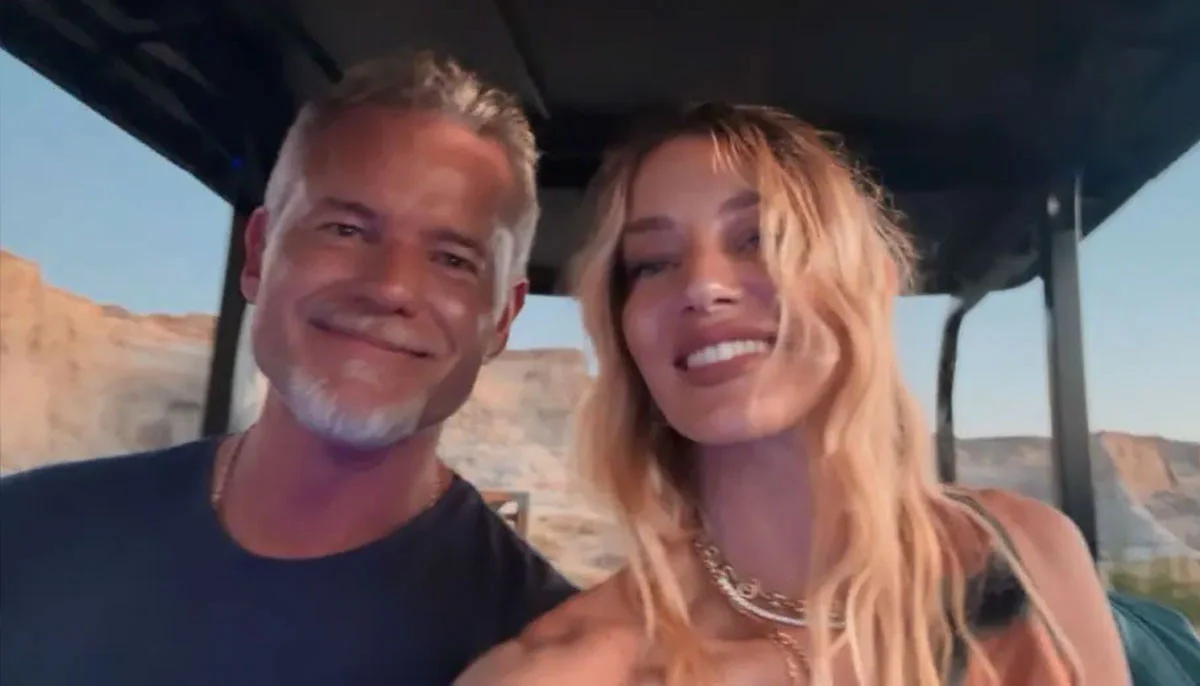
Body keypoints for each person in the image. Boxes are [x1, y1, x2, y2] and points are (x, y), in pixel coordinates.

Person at [456, 103, 1130, 685]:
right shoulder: (563, 670)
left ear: (872, 283)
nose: (703, 286)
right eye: (653, 263)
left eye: (760, 238)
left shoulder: (1031, 552)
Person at [0, 52, 576, 685]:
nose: (390, 287)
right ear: (257, 254)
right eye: (346, 229)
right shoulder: (25, 535)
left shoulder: (544, 653)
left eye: (454, 260)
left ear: (502, 318)